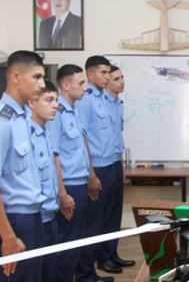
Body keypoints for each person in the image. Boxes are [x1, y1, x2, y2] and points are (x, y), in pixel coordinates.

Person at [0, 50, 46, 282]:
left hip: (32, 216)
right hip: (15, 220)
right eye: (36, 77)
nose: (42, 84)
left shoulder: (22, 117)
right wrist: (8, 236)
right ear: (16, 77)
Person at [49, 64, 107, 282]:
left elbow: (82, 147)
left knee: (78, 242)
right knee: (67, 245)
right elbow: (54, 156)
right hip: (69, 187)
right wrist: (62, 193)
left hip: (80, 183)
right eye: (81, 83)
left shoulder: (73, 110)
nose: (85, 88)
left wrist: (91, 174)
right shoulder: (57, 113)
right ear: (65, 85)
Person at [75, 56, 120, 282]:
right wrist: (91, 175)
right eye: (103, 73)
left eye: (108, 72)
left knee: (103, 223)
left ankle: (92, 270)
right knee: (91, 226)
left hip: (109, 165)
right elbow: (82, 136)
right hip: (97, 170)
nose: (108, 77)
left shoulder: (104, 98)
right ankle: (84, 274)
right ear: (90, 74)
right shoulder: (86, 100)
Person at [100, 65, 135, 269]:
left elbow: (117, 138)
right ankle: (102, 259)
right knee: (103, 217)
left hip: (115, 163)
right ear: (107, 82)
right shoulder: (99, 103)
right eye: (116, 79)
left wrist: (121, 167)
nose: (121, 81)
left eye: (122, 77)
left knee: (115, 215)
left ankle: (112, 253)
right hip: (102, 165)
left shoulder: (118, 104)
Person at [27, 81, 60, 282]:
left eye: (55, 99)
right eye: (49, 100)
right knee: (33, 273)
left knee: (48, 271)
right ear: (32, 103)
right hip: (35, 219)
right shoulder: (25, 134)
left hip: (50, 215)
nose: (55, 105)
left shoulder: (45, 132)